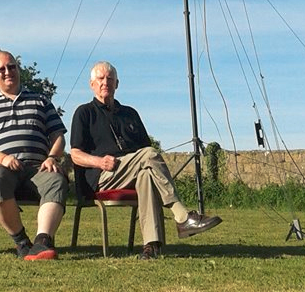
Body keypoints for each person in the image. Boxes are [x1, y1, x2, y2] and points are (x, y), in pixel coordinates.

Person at [70, 61, 222, 260]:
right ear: (92, 84)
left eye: (110, 79)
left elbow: (144, 150)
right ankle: (182, 216)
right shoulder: (84, 113)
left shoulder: (130, 113)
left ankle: (151, 246)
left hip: (134, 168)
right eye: (100, 79)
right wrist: (99, 162)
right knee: (150, 154)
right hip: (103, 174)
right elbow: (75, 154)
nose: (105, 82)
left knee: (145, 176)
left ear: (117, 84)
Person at [0, 50, 69, 261]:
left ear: (18, 69)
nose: (8, 72)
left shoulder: (41, 100)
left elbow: (58, 135)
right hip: (1, 167)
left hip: (38, 167)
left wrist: (52, 157)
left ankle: (42, 243)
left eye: (12, 66)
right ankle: (22, 243)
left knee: (57, 180)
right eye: (1, 69)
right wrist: (2, 158)